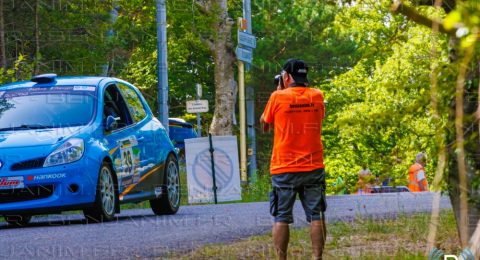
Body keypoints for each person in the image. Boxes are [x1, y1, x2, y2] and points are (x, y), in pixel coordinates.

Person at [260, 59, 326, 260]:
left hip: (284, 168)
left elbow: (264, 125)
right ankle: (317, 258)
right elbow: (317, 119)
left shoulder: (277, 97)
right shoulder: (317, 95)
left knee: (281, 217)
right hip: (313, 166)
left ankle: (282, 258)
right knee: (317, 215)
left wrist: (279, 91)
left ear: (286, 77)